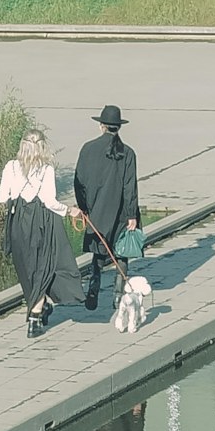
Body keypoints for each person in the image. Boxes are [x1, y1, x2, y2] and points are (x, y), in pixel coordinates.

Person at [70, 104, 141, 317]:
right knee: (122, 252)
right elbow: (130, 186)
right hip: (120, 211)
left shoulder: (88, 149)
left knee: (99, 252)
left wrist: (84, 207)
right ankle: (119, 296)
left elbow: (78, 181)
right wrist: (131, 214)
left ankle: (94, 286)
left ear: (101, 126)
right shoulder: (127, 153)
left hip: (96, 210)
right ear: (118, 127)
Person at [0, 129, 65, 334]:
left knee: (25, 267)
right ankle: (35, 317)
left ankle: (38, 308)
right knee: (41, 266)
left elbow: (1, 197)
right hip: (39, 220)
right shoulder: (46, 170)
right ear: (42, 146)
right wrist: (68, 211)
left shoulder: (11, 167)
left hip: (17, 221)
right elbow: (49, 201)